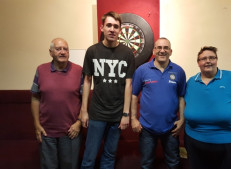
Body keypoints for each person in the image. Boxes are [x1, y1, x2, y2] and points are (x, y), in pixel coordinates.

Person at [184, 46, 231, 169]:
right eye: (203, 58)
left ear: (216, 60)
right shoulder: (191, 82)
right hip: (196, 140)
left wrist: (230, 113)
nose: (208, 61)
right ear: (198, 63)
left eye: (212, 57)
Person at [80, 11, 135, 169]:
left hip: (117, 115)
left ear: (120, 30)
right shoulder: (92, 51)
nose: (112, 29)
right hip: (97, 113)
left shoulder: (127, 53)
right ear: (102, 27)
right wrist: (84, 111)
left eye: (116, 26)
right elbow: (86, 81)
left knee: (109, 157)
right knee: (89, 157)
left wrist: (126, 114)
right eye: (109, 25)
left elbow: (128, 85)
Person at [131, 37, 186, 169]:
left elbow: (181, 97)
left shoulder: (179, 71)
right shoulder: (142, 70)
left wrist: (182, 119)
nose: (162, 51)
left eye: (166, 48)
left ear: (171, 51)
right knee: (146, 164)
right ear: (154, 50)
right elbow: (133, 95)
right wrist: (133, 118)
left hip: (171, 127)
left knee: (173, 163)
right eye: (159, 48)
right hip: (147, 128)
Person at [31, 38, 83, 169]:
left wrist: (79, 123)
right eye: (58, 49)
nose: (63, 52)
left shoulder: (79, 71)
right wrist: (37, 125)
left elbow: (85, 100)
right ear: (50, 52)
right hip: (46, 133)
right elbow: (35, 98)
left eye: (65, 49)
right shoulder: (41, 70)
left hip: (71, 133)